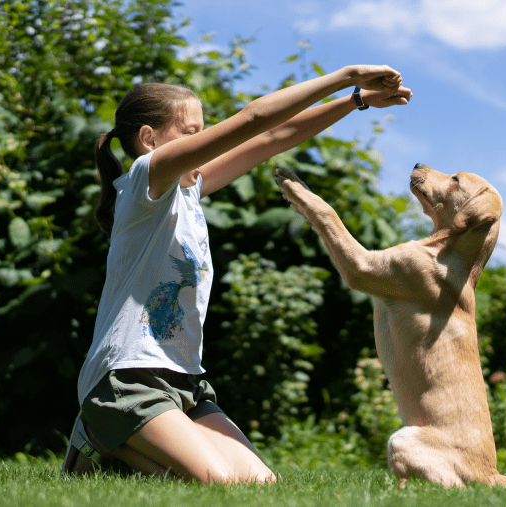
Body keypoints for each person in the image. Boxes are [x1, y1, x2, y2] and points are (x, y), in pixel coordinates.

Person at [61, 65, 413, 484]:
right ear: (149, 140)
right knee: (219, 485)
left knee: (263, 487)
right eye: (191, 134)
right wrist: (347, 76)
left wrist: (354, 102)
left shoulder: (188, 190)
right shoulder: (145, 180)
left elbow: (271, 138)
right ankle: (99, 432)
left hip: (184, 381)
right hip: (126, 379)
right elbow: (253, 120)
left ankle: (114, 448)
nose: (203, 143)